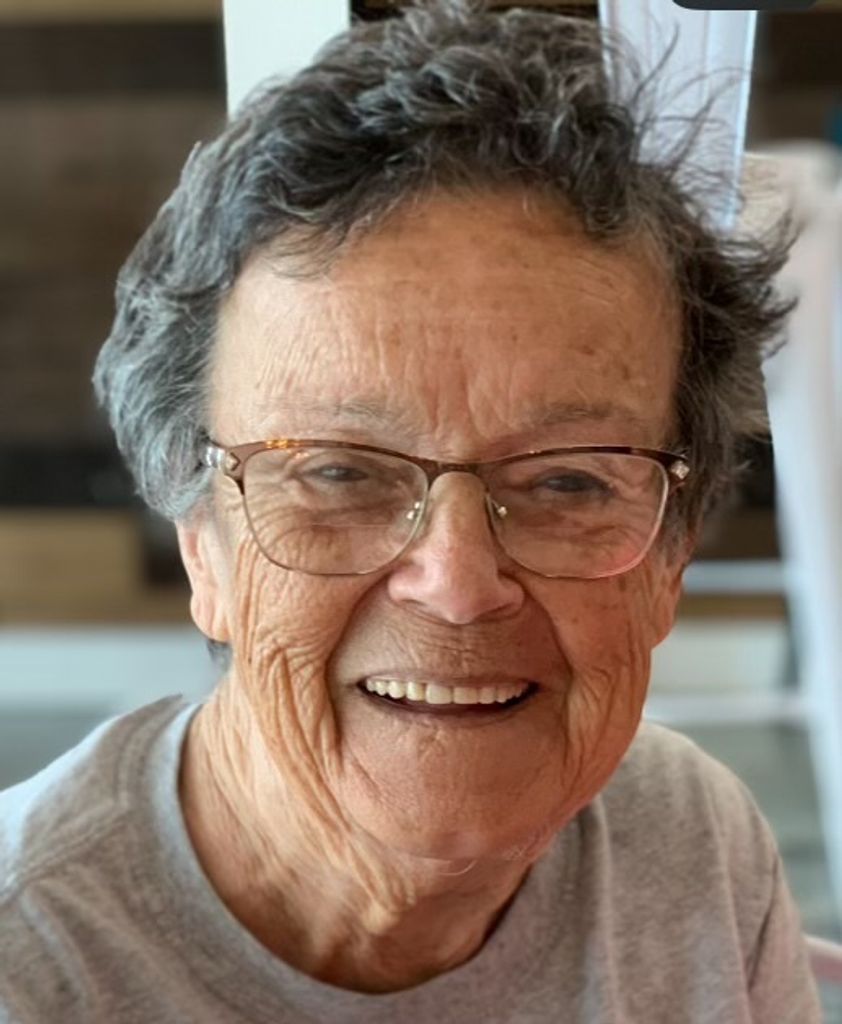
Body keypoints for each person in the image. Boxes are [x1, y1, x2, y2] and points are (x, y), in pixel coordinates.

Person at [0, 1, 822, 1020]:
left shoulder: (687, 841)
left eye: (569, 481)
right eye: (339, 473)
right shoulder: (29, 970)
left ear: (671, 558)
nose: (458, 584)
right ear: (202, 541)